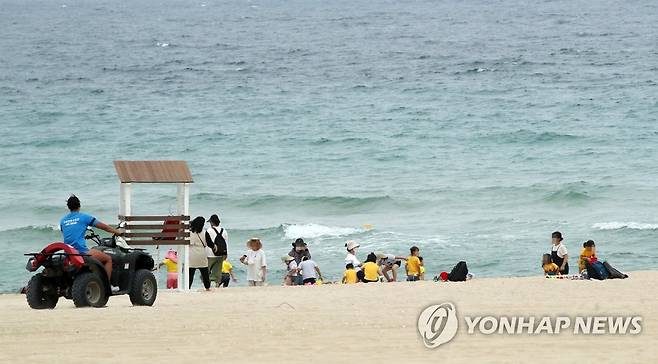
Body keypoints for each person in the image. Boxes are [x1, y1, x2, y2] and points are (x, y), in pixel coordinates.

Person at [59, 195, 124, 279]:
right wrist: (117, 232)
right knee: (108, 259)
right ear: (79, 205)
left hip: (68, 253)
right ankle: (107, 286)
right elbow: (104, 227)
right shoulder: (84, 217)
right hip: (81, 252)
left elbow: (68, 233)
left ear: (68, 207)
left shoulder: (63, 220)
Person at [205, 214, 228, 288]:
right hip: (221, 254)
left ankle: (207, 285)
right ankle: (217, 285)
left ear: (212, 222)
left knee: (207, 271)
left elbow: (206, 242)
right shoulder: (223, 230)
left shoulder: (209, 230)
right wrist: (226, 253)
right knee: (218, 270)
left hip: (210, 254)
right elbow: (226, 243)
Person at [188, 216, 211, 290]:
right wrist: (215, 246)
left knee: (190, 273)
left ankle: (188, 287)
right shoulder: (205, 232)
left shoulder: (190, 232)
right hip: (202, 254)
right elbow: (210, 243)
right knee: (204, 272)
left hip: (192, 253)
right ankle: (207, 287)